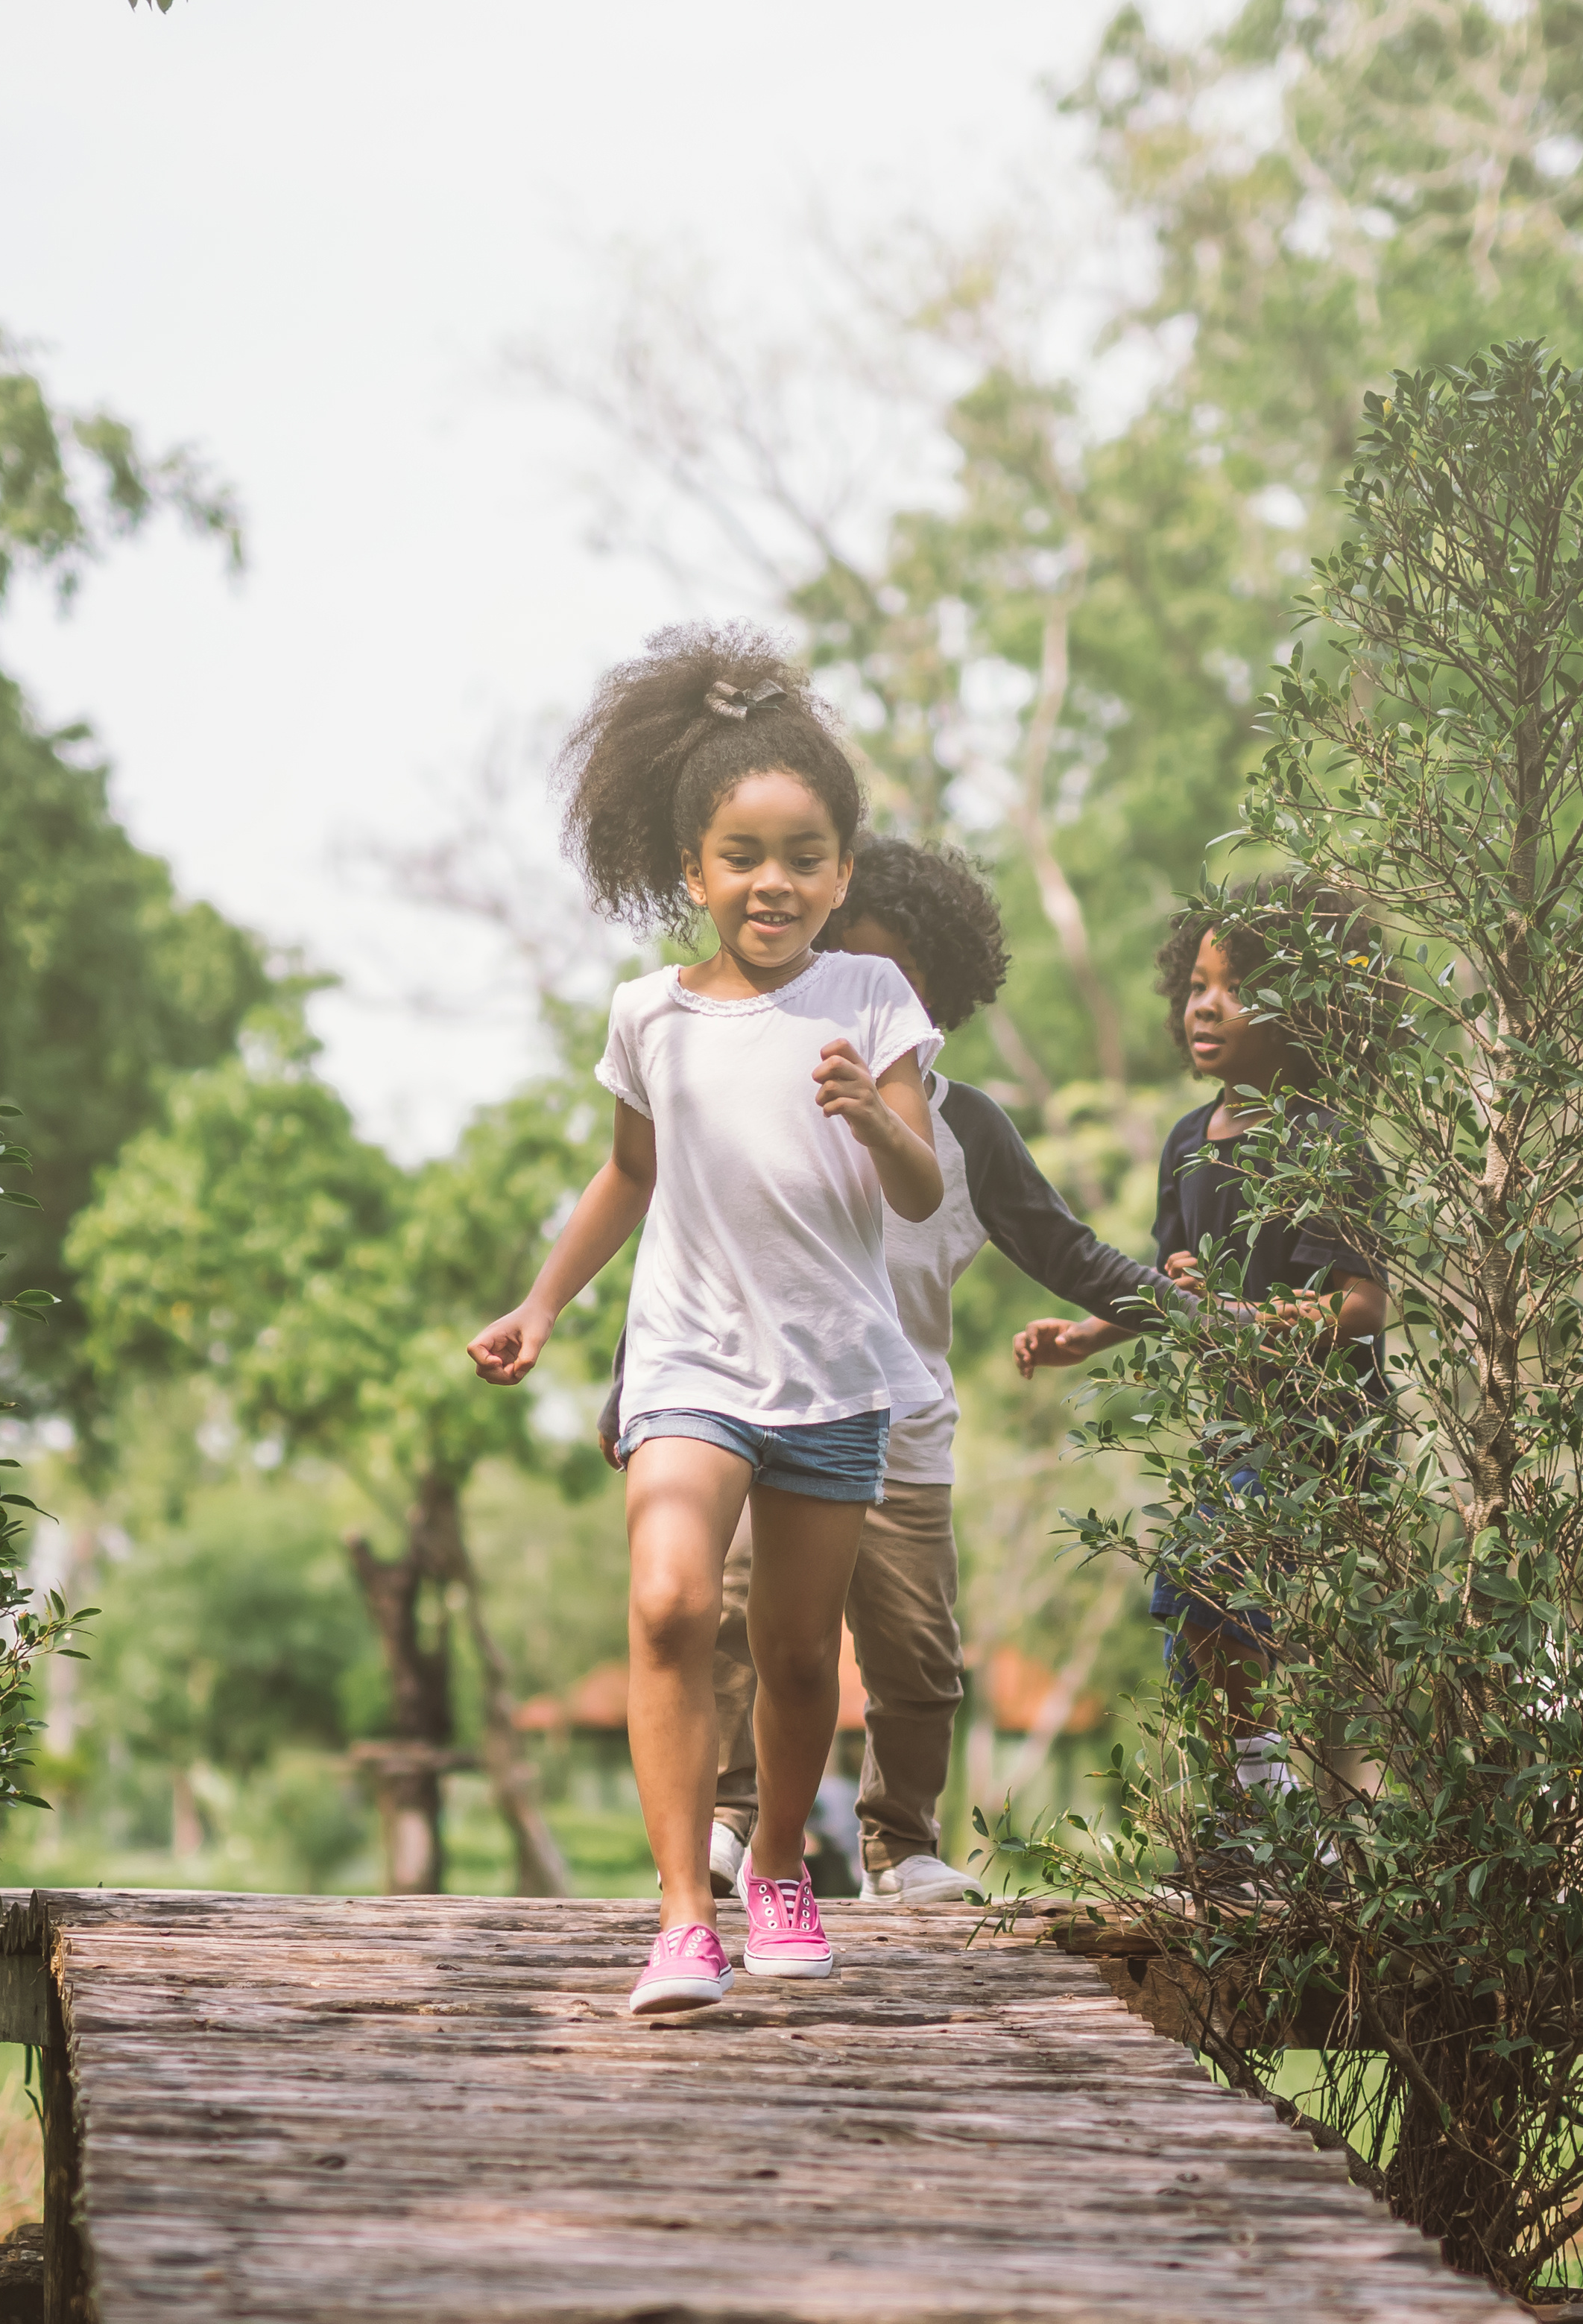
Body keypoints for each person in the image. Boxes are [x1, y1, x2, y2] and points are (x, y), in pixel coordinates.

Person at [468, 628, 942, 2017]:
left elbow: (914, 1191)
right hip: (685, 1358)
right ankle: (682, 1912)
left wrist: (871, 1113)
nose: (772, 882)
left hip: (831, 1366)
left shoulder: (873, 999)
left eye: (803, 856)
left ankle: (780, 1859)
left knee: (799, 1656)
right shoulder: (648, 1017)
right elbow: (630, 1170)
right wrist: (544, 1301)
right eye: (741, 854)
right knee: (671, 1599)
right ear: (692, 872)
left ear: (840, 873)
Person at [598, 836, 1174, 1902]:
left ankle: (898, 1842)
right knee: (732, 1628)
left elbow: (1066, 1250)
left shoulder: (965, 1128)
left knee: (917, 1657)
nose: (852, 995)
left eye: (888, 976)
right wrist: (632, 1376)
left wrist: (1191, 1309)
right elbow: (685, 1241)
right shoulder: (744, 1084)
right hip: (756, 1411)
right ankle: (729, 1825)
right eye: (836, 964)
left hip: (900, 1428)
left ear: (934, 997)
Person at [1013, 889, 1387, 1806]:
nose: (1204, 1005)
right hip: (1231, 1425)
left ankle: (1280, 1797)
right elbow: (1167, 1286)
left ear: (1305, 1008)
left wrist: (1262, 1322)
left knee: (1215, 1573)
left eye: (1236, 986)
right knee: (1194, 1608)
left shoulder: (1321, 1140)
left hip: (1320, 1426)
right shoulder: (1187, 1143)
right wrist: (1088, 1333)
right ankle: (1244, 1808)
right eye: (1194, 984)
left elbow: (1366, 1302)